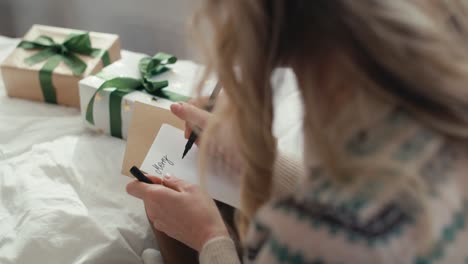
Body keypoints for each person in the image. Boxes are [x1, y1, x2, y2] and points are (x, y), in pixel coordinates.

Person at [127, 1, 468, 263]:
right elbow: (370, 195)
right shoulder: (443, 117)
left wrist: (210, 239)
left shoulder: (312, 238)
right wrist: (265, 165)